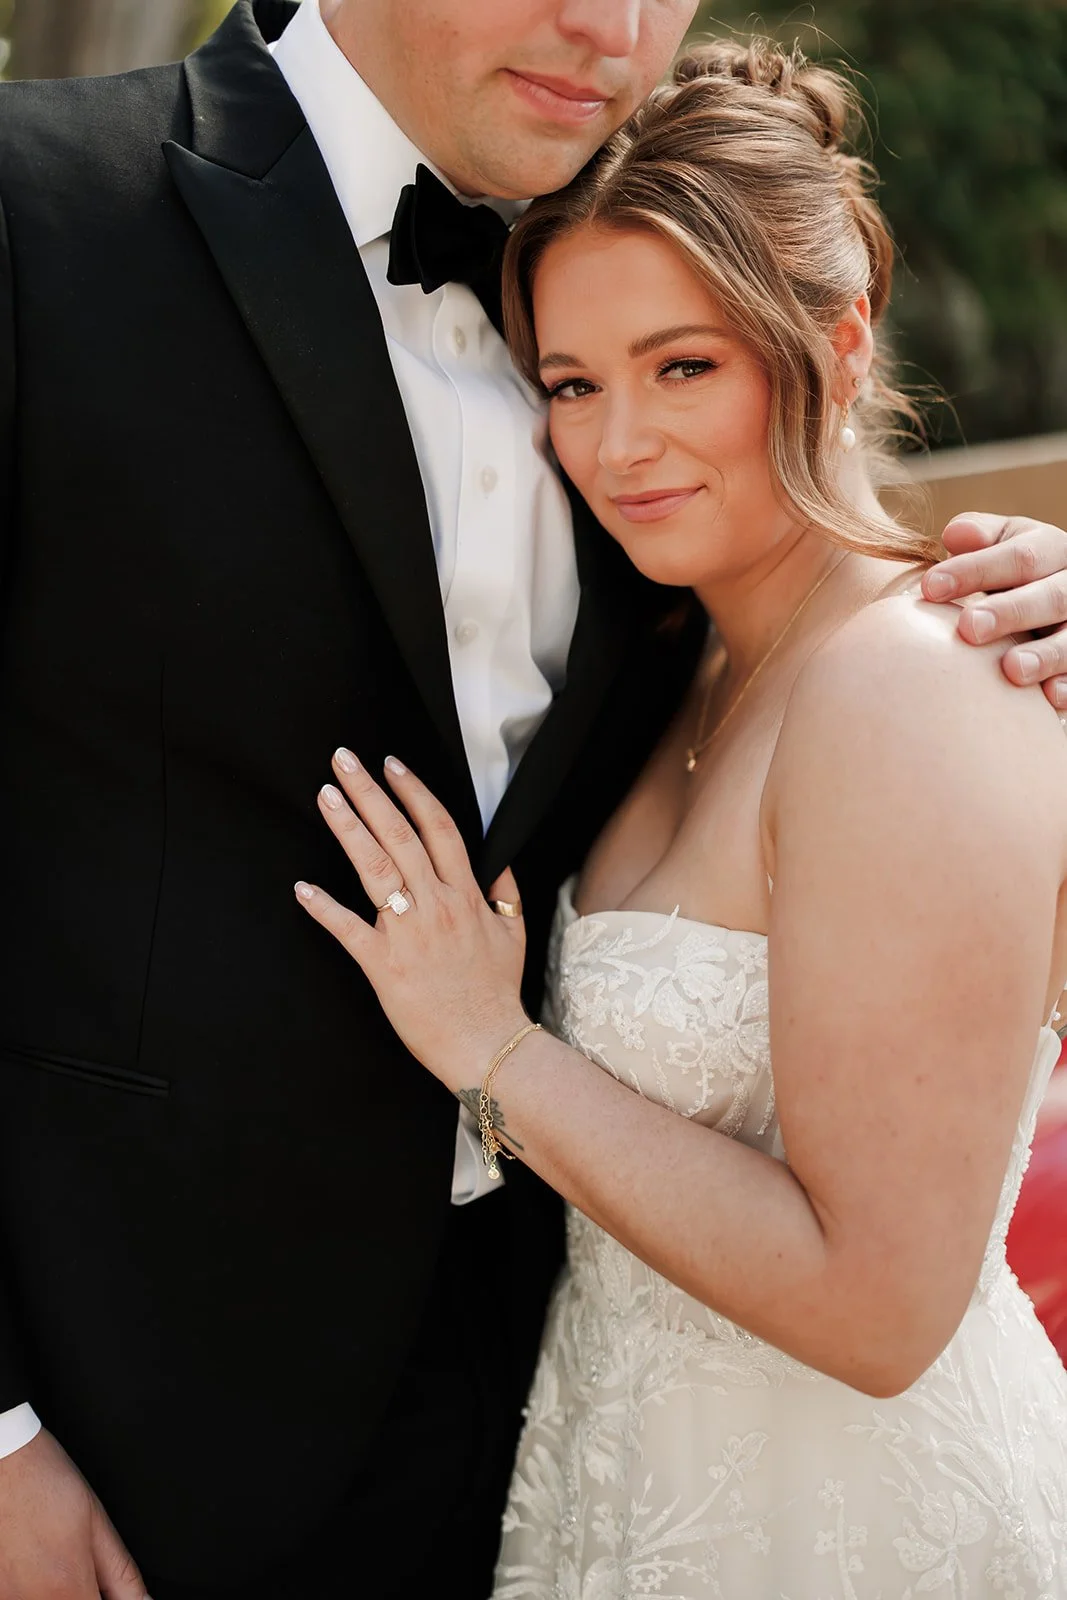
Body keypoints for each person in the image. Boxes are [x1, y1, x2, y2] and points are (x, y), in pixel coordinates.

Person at [0, 4, 1065, 1597]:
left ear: (837, 342)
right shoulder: (40, 220)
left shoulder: (893, 661)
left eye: (683, 365)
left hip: (708, 1490)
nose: (608, 25)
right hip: (163, 1452)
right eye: (570, 384)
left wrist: (488, 1049)